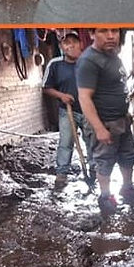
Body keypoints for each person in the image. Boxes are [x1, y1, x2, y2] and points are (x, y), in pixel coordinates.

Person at [77, 28, 134, 214]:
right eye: (103, 31)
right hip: (105, 122)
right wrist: (98, 128)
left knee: (128, 156)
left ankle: (127, 187)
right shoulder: (89, 61)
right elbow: (84, 97)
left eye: (114, 31)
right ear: (91, 34)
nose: (111, 35)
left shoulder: (113, 55)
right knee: (104, 161)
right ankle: (105, 196)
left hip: (122, 120)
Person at [43, 32, 88, 186]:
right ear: (61, 46)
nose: (70, 46)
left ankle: (94, 171)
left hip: (89, 111)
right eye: (66, 43)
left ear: (80, 45)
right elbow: (46, 88)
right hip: (67, 111)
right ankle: (62, 173)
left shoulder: (88, 62)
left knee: (92, 142)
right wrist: (61, 96)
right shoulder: (55, 64)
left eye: (74, 42)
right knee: (65, 143)